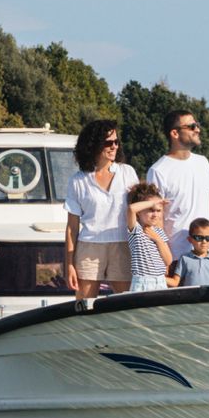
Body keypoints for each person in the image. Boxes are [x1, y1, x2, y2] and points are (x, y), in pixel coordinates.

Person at [64, 119, 136, 300]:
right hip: (89, 247)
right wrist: (69, 264)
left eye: (116, 142)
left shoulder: (127, 173)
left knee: (127, 305)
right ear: (93, 145)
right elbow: (72, 227)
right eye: (108, 143)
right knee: (85, 305)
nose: (114, 147)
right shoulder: (77, 181)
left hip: (123, 244)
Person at [146, 109, 209, 259]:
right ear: (175, 134)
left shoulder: (202, 162)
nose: (197, 129)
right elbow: (156, 219)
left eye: (197, 125)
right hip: (179, 258)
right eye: (191, 126)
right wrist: (166, 260)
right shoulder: (158, 171)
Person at [126, 181, 174, 291]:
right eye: (151, 210)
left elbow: (168, 260)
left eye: (158, 210)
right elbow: (131, 209)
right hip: (142, 282)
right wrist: (154, 202)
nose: (155, 214)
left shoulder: (159, 232)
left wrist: (157, 239)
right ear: (139, 212)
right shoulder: (136, 230)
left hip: (161, 281)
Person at [170, 217, 209, 286]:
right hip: (191, 296)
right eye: (199, 238)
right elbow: (175, 282)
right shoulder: (184, 258)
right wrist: (157, 278)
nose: (204, 241)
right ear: (190, 239)